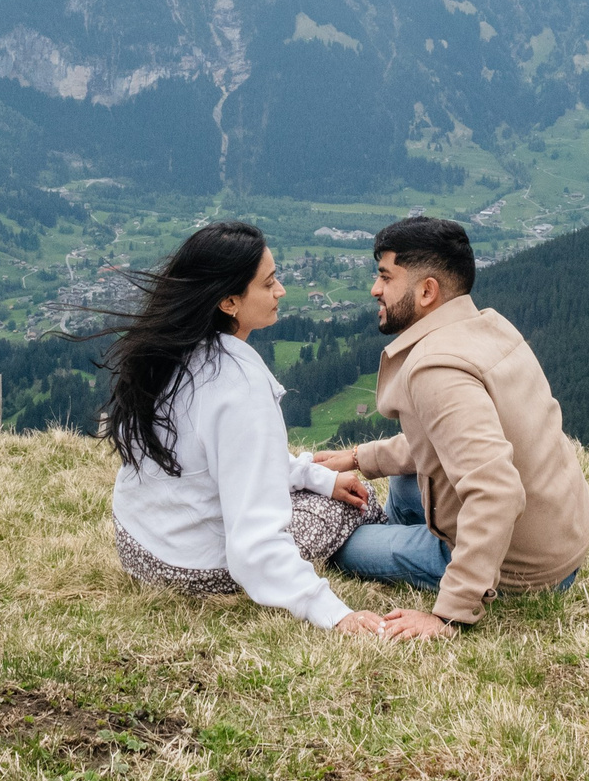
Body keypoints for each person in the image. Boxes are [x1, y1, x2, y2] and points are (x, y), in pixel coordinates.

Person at [317, 216, 589, 640]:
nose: (375, 290)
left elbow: (497, 492)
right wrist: (361, 458)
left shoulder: (437, 368)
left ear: (427, 291)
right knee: (403, 486)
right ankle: (403, 532)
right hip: (556, 540)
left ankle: (419, 547)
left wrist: (449, 615)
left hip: (522, 567)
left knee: (343, 547)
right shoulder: (488, 326)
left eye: (385, 277)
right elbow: (445, 439)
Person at [104, 221, 386, 635]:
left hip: (137, 543)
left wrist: (313, 476)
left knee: (329, 489)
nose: (281, 291)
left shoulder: (173, 351)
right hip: (188, 568)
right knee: (359, 503)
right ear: (230, 301)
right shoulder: (240, 386)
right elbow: (254, 544)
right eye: (269, 282)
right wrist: (331, 611)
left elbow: (229, 459)